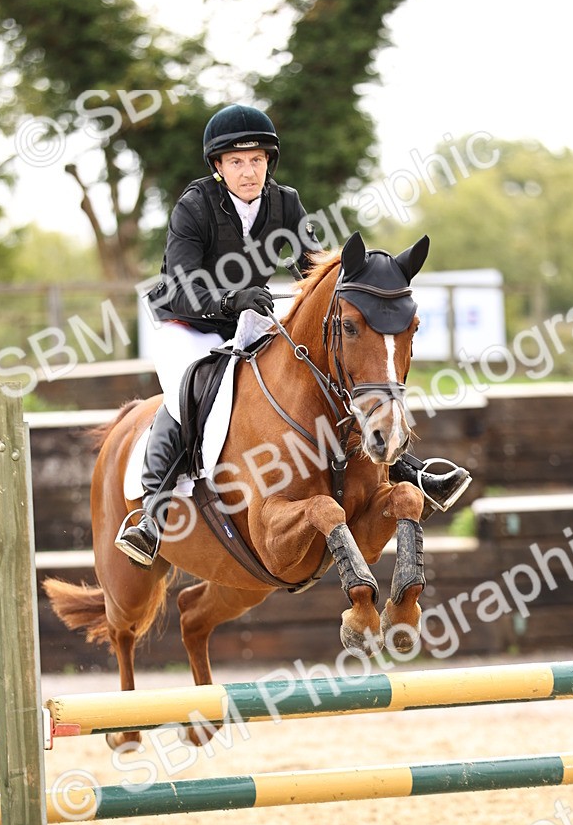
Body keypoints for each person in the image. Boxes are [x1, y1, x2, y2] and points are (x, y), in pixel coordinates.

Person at [115, 104, 471, 568]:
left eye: (257, 160)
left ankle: (406, 468)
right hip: (190, 324)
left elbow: (314, 267)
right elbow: (182, 282)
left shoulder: (285, 202)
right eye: (237, 162)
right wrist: (229, 300)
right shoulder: (195, 205)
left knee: (324, 372)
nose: (249, 171)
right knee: (189, 391)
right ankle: (151, 514)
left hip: (252, 316)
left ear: (269, 163)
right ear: (219, 168)